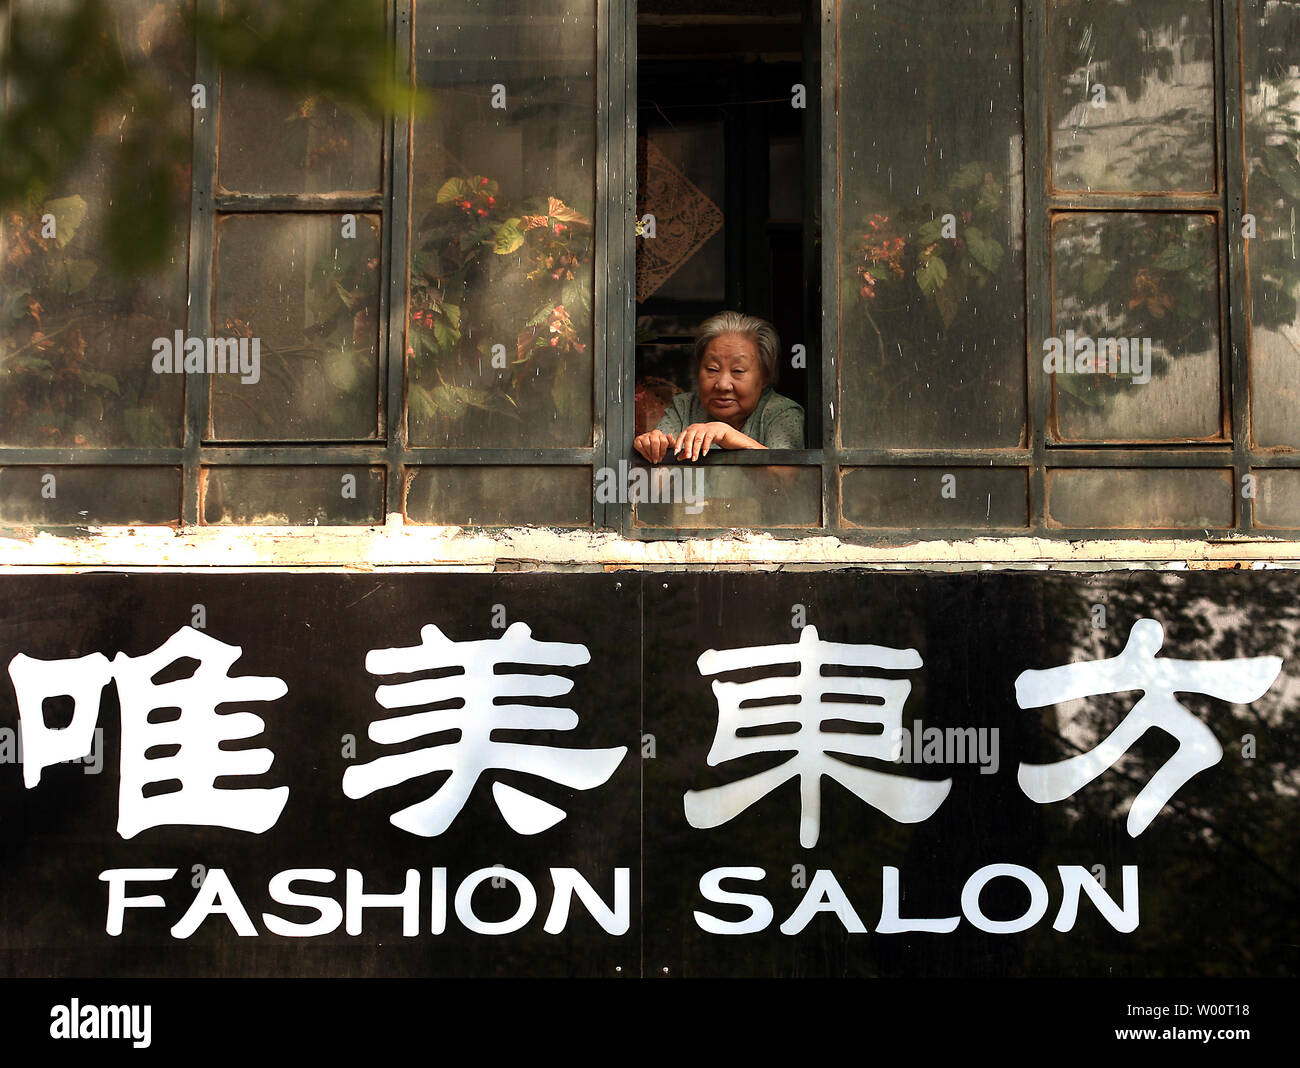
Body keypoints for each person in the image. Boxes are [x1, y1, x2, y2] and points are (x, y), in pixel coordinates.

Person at [634, 311, 805, 462]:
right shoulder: (685, 408)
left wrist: (729, 435)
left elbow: (791, 479)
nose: (723, 385)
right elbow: (656, 480)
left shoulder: (781, 412)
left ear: (765, 377)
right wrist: (653, 447)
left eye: (738, 370)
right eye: (712, 369)